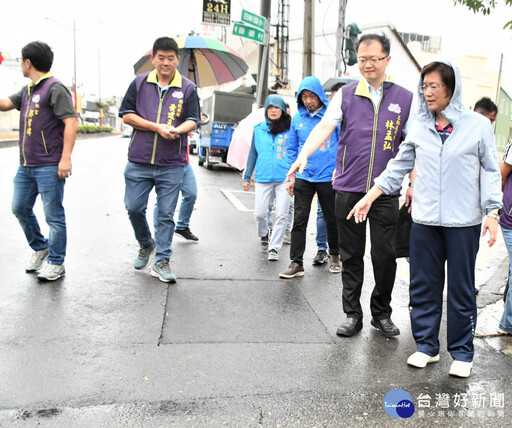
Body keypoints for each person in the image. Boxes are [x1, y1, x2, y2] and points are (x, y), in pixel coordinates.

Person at [348, 60, 502, 378]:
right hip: (426, 221)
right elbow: (397, 167)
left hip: (464, 222)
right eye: (425, 86)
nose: (427, 92)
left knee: (460, 288)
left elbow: (490, 170)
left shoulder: (477, 126)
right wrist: (370, 196)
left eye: (435, 86)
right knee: (423, 286)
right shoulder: (419, 126)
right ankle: (427, 346)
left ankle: (461, 352)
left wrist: (492, 212)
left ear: (452, 89)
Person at [287, 34, 413, 337]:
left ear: (387, 60)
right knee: (351, 254)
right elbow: (324, 127)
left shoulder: (405, 98)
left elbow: (413, 145)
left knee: (384, 255)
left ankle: (381, 313)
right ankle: (352, 314)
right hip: (348, 188)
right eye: (362, 59)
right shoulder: (344, 95)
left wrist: (412, 182)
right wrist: (303, 154)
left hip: (385, 192)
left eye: (374, 58)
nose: (367, 64)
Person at [119, 36, 200, 283]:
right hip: (139, 160)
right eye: (161, 57)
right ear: (153, 58)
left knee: (166, 214)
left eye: (171, 58)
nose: (165, 62)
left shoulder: (188, 88)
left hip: (172, 162)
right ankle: (146, 242)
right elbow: (126, 115)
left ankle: (162, 261)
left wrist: (178, 129)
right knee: (133, 207)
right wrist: (156, 127)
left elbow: (193, 119)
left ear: (177, 60)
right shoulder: (139, 83)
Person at [0, 41, 77, 281]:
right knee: (19, 207)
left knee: (53, 215)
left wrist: (65, 158)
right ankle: (40, 246)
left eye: (22, 61)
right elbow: (4, 105)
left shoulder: (55, 88)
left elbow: (70, 122)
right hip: (26, 166)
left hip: (49, 165)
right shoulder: (28, 90)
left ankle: (56, 262)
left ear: (28, 62)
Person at [280, 76, 340, 278]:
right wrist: (291, 176)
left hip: (327, 175)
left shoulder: (331, 116)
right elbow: (291, 148)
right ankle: (296, 262)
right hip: (304, 176)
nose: (308, 101)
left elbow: (342, 144)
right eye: (304, 97)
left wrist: (339, 169)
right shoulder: (297, 118)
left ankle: (334, 254)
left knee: (332, 218)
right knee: (300, 219)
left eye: (311, 96)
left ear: (320, 96)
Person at [243, 94, 292, 261]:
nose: (273, 110)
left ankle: (274, 248)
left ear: (282, 111)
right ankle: (264, 234)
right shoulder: (258, 129)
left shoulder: (290, 129)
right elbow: (252, 154)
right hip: (263, 177)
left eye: (277, 107)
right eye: (270, 107)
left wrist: (296, 175)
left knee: (282, 214)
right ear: (266, 110)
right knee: (260, 214)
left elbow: (296, 151)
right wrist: (247, 175)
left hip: (284, 177)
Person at [313, 81, 346, 266]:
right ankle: (322, 249)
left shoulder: (351, 121)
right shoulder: (327, 119)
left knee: (340, 213)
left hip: (345, 174)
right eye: (333, 98)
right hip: (325, 174)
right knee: (322, 212)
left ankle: (339, 250)